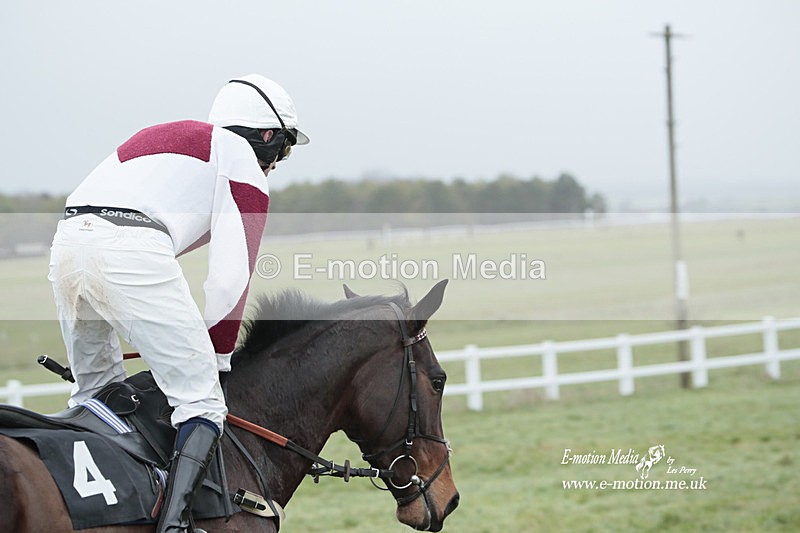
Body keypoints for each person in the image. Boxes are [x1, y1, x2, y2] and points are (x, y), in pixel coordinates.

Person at [48, 74, 309, 532]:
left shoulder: (167, 138)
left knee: (97, 392)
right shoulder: (241, 161)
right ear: (267, 136)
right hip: (129, 247)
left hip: (68, 244)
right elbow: (229, 279)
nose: (277, 163)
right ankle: (176, 526)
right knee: (202, 402)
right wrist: (219, 357)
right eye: (283, 150)